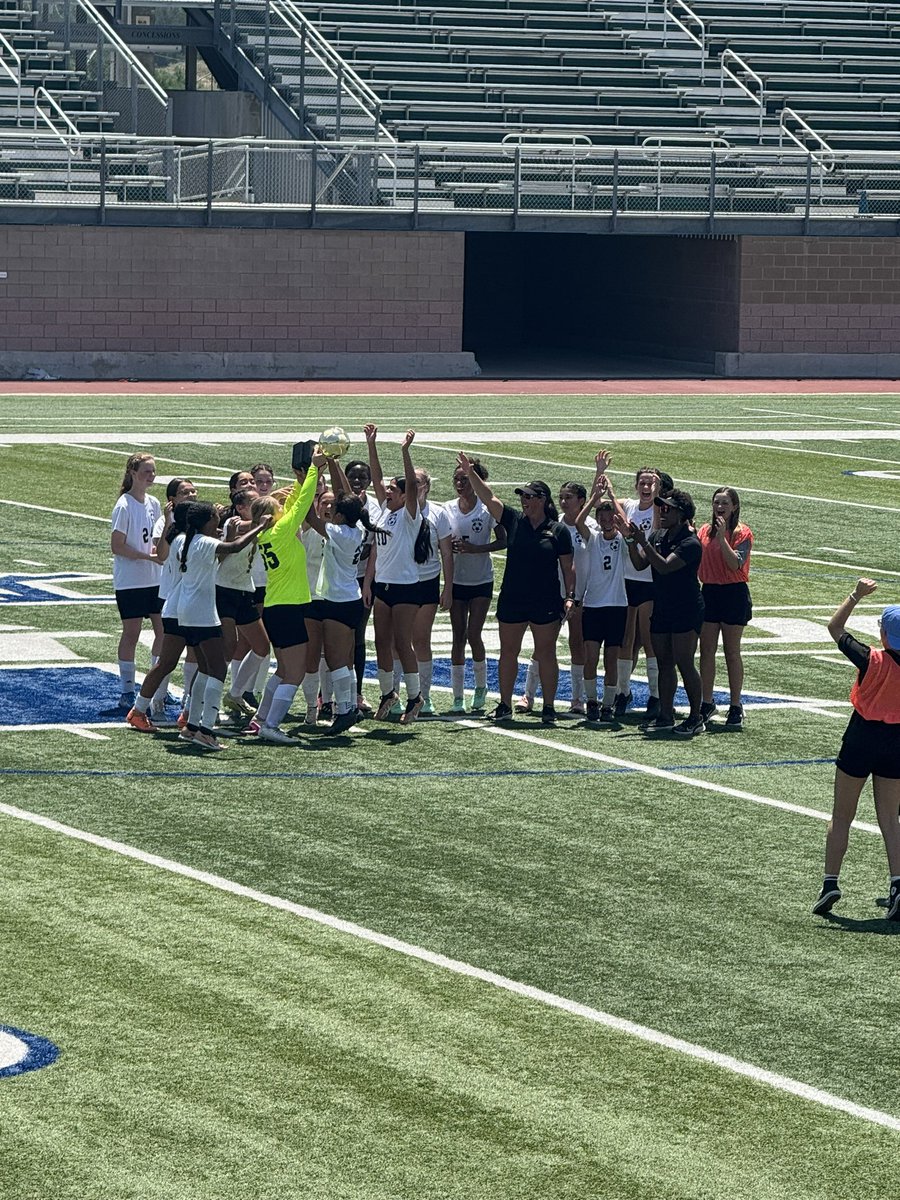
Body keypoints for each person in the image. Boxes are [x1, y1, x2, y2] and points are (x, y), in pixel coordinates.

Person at [457, 455, 574, 724]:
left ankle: (548, 707)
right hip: (513, 597)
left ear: (542, 500)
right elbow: (490, 498)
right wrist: (471, 473)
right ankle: (505, 703)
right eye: (522, 495)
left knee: (546, 653)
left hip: (545, 598)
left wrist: (570, 597)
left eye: (529, 496)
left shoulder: (557, 530)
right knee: (508, 651)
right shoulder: (513, 520)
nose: (524, 500)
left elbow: (569, 568)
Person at [813, 582, 900, 921]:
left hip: (861, 737)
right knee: (891, 821)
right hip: (896, 742)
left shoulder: (871, 659)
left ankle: (830, 882)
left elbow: (835, 628)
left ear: (886, 635)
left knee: (842, 815)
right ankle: (897, 884)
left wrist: (855, 596)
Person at [176, 502, 270, 750]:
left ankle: (191, 726)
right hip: (202, 614)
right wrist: (260, 527)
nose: (218, 522)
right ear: (207, 521)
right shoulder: (205, 542)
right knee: (217, 669)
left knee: (206, 668)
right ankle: (206, 730)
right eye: (216, 518)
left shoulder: (187, 541)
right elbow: (236, 546)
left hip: (186, 612)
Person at [249, 452, 324, 744]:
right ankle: (272, 725)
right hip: (287, 608)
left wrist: (300, 479)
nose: (284, 508)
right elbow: (303, 503)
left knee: (282, 669)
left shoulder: (269, 533)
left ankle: (260, 719)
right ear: (273, 515)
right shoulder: (281, 531)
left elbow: (294, 503)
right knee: (294, 673)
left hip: (276, 607)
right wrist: (314, 472)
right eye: (279, 507)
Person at [303, 456, 378, 735]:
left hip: (337, 601)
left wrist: (311, 475)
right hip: (349, 599)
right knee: (343, 660)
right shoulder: (355, 529)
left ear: (340, 515)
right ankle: (348, 708)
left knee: (336, 661)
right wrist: (333, 465)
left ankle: (345, 711)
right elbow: (347, 496)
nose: (330, 510)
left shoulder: (339, 533)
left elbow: (310, 515)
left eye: (334, 508)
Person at [628, 489, 704, 737]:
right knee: (664, 663)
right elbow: (640, 563)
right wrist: (630, 541)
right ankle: (666, 714)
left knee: (684, 660)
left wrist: (642, 541)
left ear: (682, 514)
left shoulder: (690, 542)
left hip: (685, 607)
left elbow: (664, 567)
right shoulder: (659, 535)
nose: (663, 510)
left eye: (668, 508)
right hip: (662, 606)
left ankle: (695, 716)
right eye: (661, 506)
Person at [362, 425, 424, 725]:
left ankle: (415, 697)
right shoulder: (385, 510)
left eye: (392, 490)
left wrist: (405, 452)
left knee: (402, 642)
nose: (386, 492)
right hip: (383, 585)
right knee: (381, 641)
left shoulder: (411, 514)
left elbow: (411, 485)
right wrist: (370, 444)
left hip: (406, 586)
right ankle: (388, 693)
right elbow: (376, 478)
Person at [125, 500, 194, 733]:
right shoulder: (187, 541)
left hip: (185, 607)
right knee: (204, 663)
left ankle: (184, 712)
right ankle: (183, 713)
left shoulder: (182, 539)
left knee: (196, 662)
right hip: (183, 608)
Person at [445, 458, 506, 713]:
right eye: (457, 479)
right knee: (457, 636)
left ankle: (481, 686)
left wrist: (476, 549)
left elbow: (503, 541)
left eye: (466, 479)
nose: (460, 484)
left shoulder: (487, 509)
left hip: (481, 579)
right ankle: (458, 695)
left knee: (473, 634)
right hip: (457, 580)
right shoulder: (447, 508)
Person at [698, 487, 753, 731]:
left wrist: (722, 537)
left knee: (732, 652)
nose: (719, 507)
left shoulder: (742, 533)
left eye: (725, 503)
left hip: (733, 593)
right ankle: (706, 702)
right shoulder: (703, 530)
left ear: (734, 507)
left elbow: (734, 564)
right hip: (709, 592)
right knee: (706, 650)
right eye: (716, 502)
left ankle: (735, 705)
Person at [110, 453, 163, 709]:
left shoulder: (153, 503)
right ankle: (127, 690)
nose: (151, 476)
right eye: (146, 471)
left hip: (154, 579)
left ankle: (157, 687)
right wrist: (147, 557)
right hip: (131, 580)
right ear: (132, 472)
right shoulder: (124, 505)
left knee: (163, 631)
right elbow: (117, 545)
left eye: (153, 471)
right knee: (132, 632)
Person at [217, 486, 271, 720]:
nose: (258, 504)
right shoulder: (234, 523)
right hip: (225, 590)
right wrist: (264, 521)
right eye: (252, 502)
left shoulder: (256, 524)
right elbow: (244, 532)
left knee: (261, 646)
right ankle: (200, 702)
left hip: (244, 590)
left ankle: (236, 693)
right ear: (239, 507)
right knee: (226, 649)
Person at [575, 485, 628, 724]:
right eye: (602, 518)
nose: (607, 522)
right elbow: (578, 522)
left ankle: (608, 704)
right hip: (594, 604)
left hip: (616, 605)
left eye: (610, 518)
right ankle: (592, 701)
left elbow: (627, 528)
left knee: (611, 659)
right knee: (591, 657)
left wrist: (614, 500)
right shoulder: (594, 538)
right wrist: (594, 498)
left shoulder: (622, 541)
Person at [616, 466, 660, 721]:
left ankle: (654, 696)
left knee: (649, 640)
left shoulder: (658, 509)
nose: (646, 486)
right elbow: (603, 502)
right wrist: (606, 488)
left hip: (649, 582)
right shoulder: (629, 505)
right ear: (635, 485)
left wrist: (657, 489)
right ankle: (623, 692)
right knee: (626, 641)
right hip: (626, 580)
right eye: (642, 482)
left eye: (651, 483)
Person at [409, 466, 453, 717]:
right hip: (401, 580)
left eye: (418, 482)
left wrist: (448, 587)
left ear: (427, 486)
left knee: (421, 639)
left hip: (427, 580)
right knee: (396, 640)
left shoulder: (438, 513)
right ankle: (394, 692)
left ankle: (423, 695)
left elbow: (446, 552)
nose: (414, 487)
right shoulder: (401, 509)